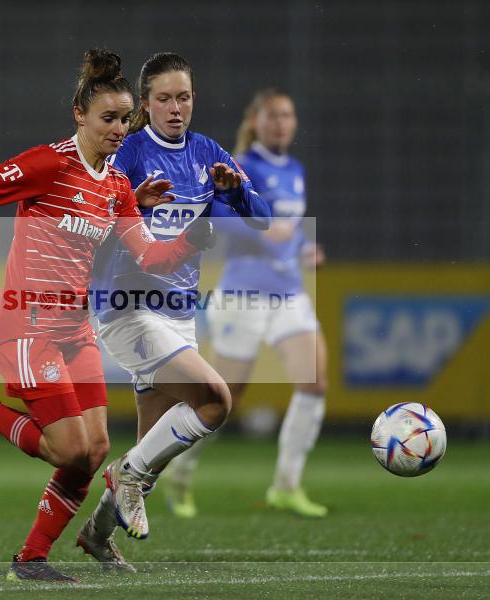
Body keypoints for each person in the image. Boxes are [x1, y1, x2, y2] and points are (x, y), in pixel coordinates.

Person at [0, 48, 213, 583]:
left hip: (74, 331)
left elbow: (151, 256)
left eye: (126, 118)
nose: (119, 129)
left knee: (95, 450)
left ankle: (30, 560)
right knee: (68, 447)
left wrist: (191, 236)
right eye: (108, 118)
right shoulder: (49, 165)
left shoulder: (119, 187)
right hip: (27, 327)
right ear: (80, 115)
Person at [76, 53, 271, 567]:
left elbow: (263, 220)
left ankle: (97, 534)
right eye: (163, 98)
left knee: (152, 450)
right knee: (214, 401)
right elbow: (94, 224)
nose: (175, 108)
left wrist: (237, 196)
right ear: (145, 105)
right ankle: (123, 476)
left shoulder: (207, 153)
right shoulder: (129, 151)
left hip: (179, 312)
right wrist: (135, 205)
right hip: (128, 307)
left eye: (183, 97)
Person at [165, 88, 329, 519]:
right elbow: (215, 216)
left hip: (289, 293)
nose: (281, 122)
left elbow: (287, 232)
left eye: (288, 115)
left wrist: (302, 249)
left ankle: (286, 485)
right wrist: (260, 231)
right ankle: (179, 469)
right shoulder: (241, 166)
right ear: (255, 121)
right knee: (224, 398)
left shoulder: (294, 169)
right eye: (273, 115)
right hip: (244, 295)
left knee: (315, 381)